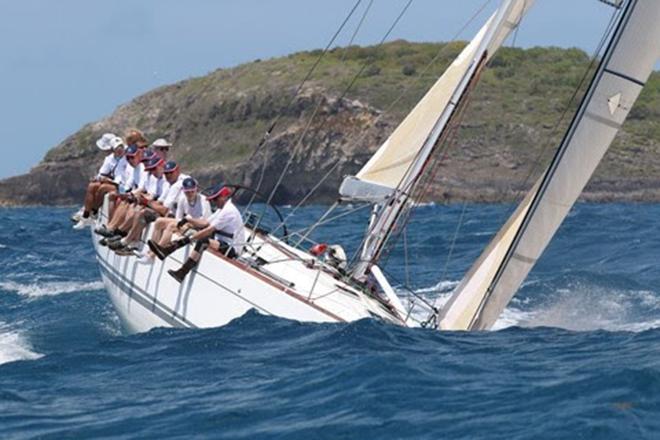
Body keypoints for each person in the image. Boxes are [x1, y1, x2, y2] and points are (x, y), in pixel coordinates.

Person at [165, 184, 245, 283]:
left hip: (231, 247)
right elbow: (205, 223)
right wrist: (188, 220)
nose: (213, 202)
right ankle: (169, 250)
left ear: (224, 197)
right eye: (212, 200)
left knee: (203, 241)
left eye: (215, 199)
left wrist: (186, 240)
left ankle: (182, 272)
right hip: (221, 241)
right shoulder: (222, 209)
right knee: (196, 234)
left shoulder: (228, 211)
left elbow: (208, 230)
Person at [109, 155, 169, 253]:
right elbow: (153, 196)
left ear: (162, 166)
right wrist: (142, 199)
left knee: (141, 212)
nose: (153, 172)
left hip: (165, 212)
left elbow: (164, 207)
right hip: (157, 206)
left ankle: (124, 238)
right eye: (151, 169)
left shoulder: (166, 181)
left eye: (154, 169)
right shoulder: (156, 178)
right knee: (136, 208)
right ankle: (127, 238)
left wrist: (145, 201)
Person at [146, 177, 211, 261]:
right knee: (159, 221)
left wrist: (189, 221)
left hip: (200, 228)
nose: (190, 194)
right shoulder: (182, 199)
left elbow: (205, 223)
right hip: (187, 223)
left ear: (196, 190)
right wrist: (185, 222)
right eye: (187, 192)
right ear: (184, 191)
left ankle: (153, 255)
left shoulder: (203, 200)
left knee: (171, 226)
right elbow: (178, 218)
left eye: (192, 191)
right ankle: (151, 250)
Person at [73, 136, 126, 229]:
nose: (120, 150)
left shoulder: (126, 159)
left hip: (122, 185)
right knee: (92, 186)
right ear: (113, 149)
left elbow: (120, 179)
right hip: (114, 182)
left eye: (121, 147)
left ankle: (94, 212)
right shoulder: (110, 158)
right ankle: (86, 215)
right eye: (117, 148)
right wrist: (99, 178)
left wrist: (109, 181)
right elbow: (102, 173)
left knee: (103, 188)